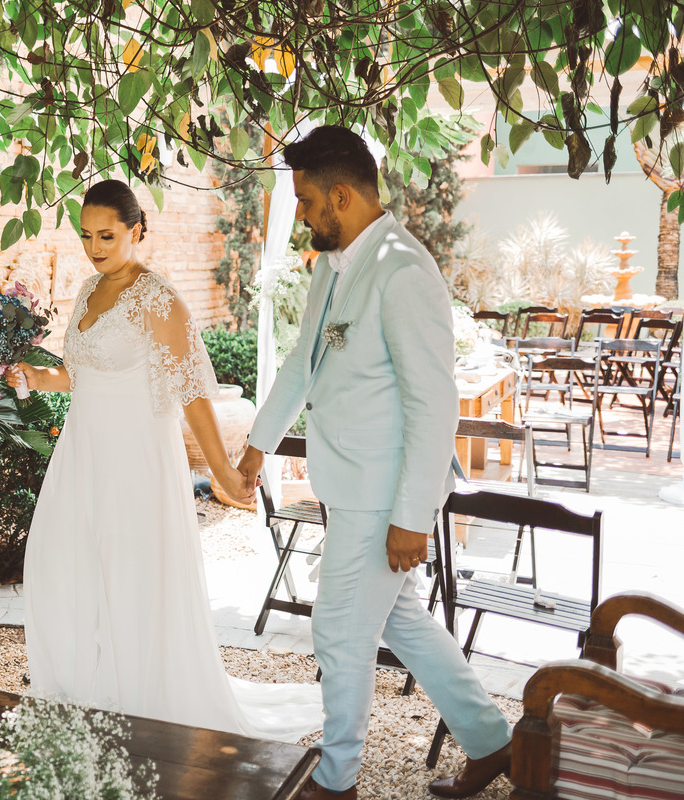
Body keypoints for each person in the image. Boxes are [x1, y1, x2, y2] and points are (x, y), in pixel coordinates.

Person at [233, 126, 512, 800]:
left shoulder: (403, 271)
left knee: (338, 632)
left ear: (341, 196)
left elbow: (432, 405)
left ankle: (337, 781)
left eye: (306, 201)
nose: (302, 215)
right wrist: (255, 448)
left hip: (383, 495)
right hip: (348, 483)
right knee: (400, 620)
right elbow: (304, 364)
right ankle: (494, 742)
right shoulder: (333, 267)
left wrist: (412, 517)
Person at [7, 179, 323, 743]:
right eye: (86, 236)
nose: (95, 247)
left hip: (136, 463)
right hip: (80, 457)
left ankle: (139, 700)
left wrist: (225, 472)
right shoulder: (88, 290)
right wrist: (36, 376)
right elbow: (78, 374)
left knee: (131, 577)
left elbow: (192, 392)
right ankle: (82, 692)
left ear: (136, 231)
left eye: (106, 236)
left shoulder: (159, 298)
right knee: (59, 564)